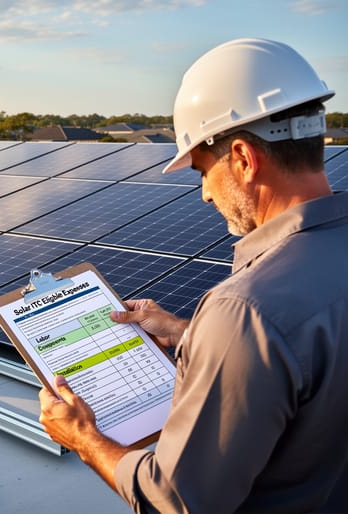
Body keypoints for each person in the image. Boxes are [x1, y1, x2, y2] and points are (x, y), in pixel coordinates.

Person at [38, 38, 347, 513]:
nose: (204, 194)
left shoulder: (244, 311)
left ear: (243, 158)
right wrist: (190, 334)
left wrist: (83, 438)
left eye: (203, 169)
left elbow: (177, 500)